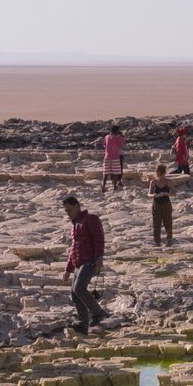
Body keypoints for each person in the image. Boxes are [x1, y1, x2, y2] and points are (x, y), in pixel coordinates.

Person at [61, 194, 107, 332]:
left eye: (69, 210)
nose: (68, 213)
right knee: (75, 295)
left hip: (90, 262)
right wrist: (68, 270)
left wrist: (99, 257)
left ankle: (98, 313)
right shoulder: (75, 225)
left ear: (77, 206)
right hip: (78, 263)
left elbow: (99, 238)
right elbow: (73, 249)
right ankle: (83, 324)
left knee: (79, 288)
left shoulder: (90, 219)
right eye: (66, 211)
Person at [148, 163, 175, 247]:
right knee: (156, 223)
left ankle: (169, 240)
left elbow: (174, 194)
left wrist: (166, 193)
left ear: (161, 172)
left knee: (168, 222)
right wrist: (154, 195)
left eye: (157, 171)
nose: (156, 173)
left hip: (166, 203)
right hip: (156, 204)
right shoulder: (153, 182)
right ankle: (157, 241)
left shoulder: (169, 181)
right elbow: (149, 194)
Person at [101, 126, 126, 190]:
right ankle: (115, 186)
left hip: (107, 156)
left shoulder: (106, 137)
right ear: (117, 131)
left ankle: (103, 186)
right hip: (115, 156)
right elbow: (123, 142)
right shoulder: (117, 137)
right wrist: (122, 136)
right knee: (115, 172)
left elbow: (104, 145)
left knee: (105, 173)